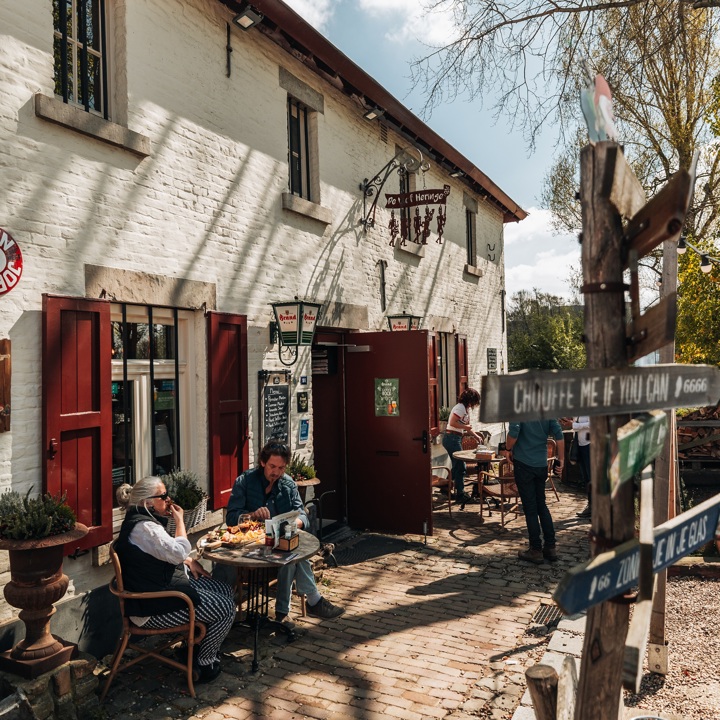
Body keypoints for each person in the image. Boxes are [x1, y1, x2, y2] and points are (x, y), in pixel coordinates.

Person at [115, 477, 236, 684]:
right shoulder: (145, 528)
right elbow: (178, 551)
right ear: (148, 502)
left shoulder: (143, 521)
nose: (168, 499)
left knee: (223, 589)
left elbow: (163, 552)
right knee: (226, 607)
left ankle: (195, 647)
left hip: (156, 589)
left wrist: (189, 561)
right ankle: (205, 662)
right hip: (149, 609)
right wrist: (180, 521)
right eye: (163, 496)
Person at [225, 441, 344, 622]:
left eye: (281, 468)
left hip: (277, 544)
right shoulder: (245, 481)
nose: (277, 472)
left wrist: (291, 524)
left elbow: (303, 516)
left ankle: (283, 613)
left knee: (291, 554)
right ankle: (310, 602)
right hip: (249, 546)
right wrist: (252, 515)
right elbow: (231, 517)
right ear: (263, 462)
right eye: (273, 466)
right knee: (293, 555)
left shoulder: (288, 484)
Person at [506, 419, 564, 564]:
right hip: (541, 464)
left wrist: (507, 449)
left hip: (524, 464)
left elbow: (514, 431)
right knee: (541, 505)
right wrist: (561, 459)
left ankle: (535, 549)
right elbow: (559, 434)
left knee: (530, 509)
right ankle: (550, 547)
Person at [441, 388, 483, 504]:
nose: (474, 404)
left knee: (457, 466)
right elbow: (452, 423)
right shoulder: (459, 408)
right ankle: (460, 494)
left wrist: (475, 436)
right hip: (452, 439)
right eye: (474, 401)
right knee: (461, 466)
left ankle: (445, 485)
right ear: (470, 400)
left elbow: (465, 426)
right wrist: (465, 428)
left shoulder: (464, 409)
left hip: (455, 438)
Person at [573, 416, 592, 518]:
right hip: (580, 445)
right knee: (586, 478)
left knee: (591, 478)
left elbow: (592, 424)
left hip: (589, 445)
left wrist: (575, 425)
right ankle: (590, 506)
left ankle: (595, 508)